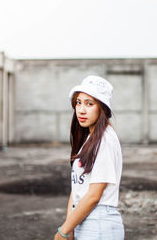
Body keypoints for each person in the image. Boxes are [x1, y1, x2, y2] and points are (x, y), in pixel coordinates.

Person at [54, 75, 125, 240]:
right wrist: (70, 227)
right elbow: (78, 189)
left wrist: (63, 231)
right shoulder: (90, 140)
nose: (81, 110)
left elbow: (93, 195)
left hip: (99, 224)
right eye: (78, 102)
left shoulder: (104, 140)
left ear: (103, 108)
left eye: (89, 103)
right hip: (87, 221)